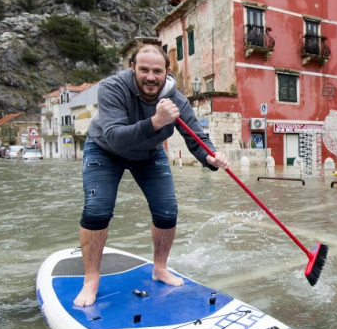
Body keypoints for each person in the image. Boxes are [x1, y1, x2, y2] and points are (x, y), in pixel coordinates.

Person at [74, 43, 230, 307]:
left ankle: (160, 268)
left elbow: (196, 137)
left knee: (167, 211)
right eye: (144, 69)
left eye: (157, 71)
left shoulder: (176, 99)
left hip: (148, 153)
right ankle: (91, 279)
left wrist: (210, 156)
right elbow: (114, 135)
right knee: (97, 211)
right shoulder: (112, 88)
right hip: (105, 149)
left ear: (167, 72)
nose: (150, 76)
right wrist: (156, 121)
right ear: (132, 68)